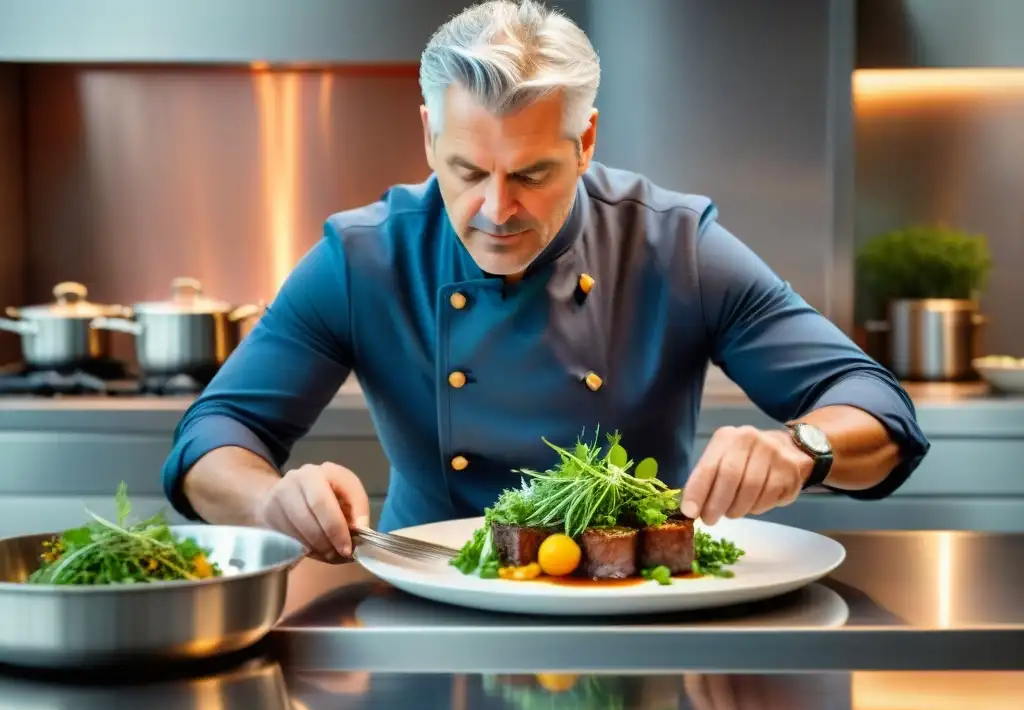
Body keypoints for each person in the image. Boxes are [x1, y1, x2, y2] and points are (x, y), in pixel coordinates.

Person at [161, 0, 929, 561]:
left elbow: (879, 410)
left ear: (585, 140)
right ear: (428, 135)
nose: (496, 209)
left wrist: (804, 448)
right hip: (436, 600)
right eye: (467, 171)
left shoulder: (672, 245)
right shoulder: (365, 259)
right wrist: (269, 498)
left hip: (643, 611)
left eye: (531, 173)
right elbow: (210, 439)